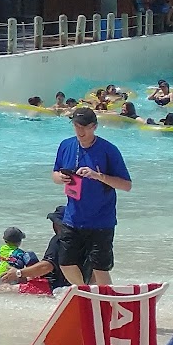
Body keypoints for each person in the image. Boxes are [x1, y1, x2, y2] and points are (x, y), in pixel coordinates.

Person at [51, 108, 131, 287]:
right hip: (72, 218)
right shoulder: (66, 145)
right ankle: (85, 292)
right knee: (65, 263)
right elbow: (54, 174)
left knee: (99, 269)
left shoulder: (108, 150)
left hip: (101, 220)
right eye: (76, 126)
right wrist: (60, 178)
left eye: (84, 127)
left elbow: (127, 185)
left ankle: (108, 300)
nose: (80, 131)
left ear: (94, 126)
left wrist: (98, 176)